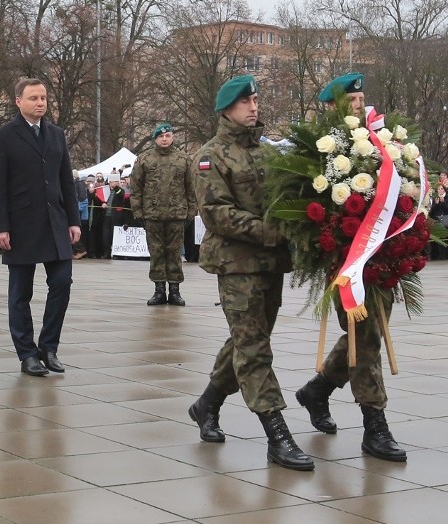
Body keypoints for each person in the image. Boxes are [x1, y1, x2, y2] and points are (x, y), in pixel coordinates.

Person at [188, 74, 313, 470]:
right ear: (227, 109)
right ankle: (277, 434)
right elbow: (219, 214)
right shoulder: (211, 157)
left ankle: (206, 404)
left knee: (248, 340)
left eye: (256, 100)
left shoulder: (267, 154)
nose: (254, 107)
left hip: (270, 264)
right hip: (236, 264)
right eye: (246, 102)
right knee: (254, 348)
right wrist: (272, 232)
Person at [295, 72, 407, 462]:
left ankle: (319, 389)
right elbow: (305, 205)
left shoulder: (382, 140)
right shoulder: (319, 148)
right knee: (367, 339)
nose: (357, 106)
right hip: (346, 260)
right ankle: (375, 426)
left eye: (360, 99)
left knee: (370, 332)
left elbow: (400, 189)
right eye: (349, 101)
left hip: (382, 256)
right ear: (332, 107)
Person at [0, 77, 80, 377]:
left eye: (43, 98)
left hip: (55, 222)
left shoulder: (56, 134)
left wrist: (73, 221)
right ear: (18, 101)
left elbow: (65, 179)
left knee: (62, 282)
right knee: (20, 293)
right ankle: (27, 353)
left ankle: (48, 347)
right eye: (33, 98)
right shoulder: (4, 136)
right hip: (21, 224)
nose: (40, 103)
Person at [130, 122, 195, 306]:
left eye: (168, 136)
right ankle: (159, 290)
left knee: (174, 253)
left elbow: (191, 188)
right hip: (153, 214)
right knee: (156, 253)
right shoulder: (144, 159)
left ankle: (175, 290)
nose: (164, 139)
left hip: (177, 214)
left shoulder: (183, 159)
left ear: (173, 137)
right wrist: (138, 212)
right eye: (161, 136)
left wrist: (191, 212)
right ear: (155, 139)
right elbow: (136, 188)